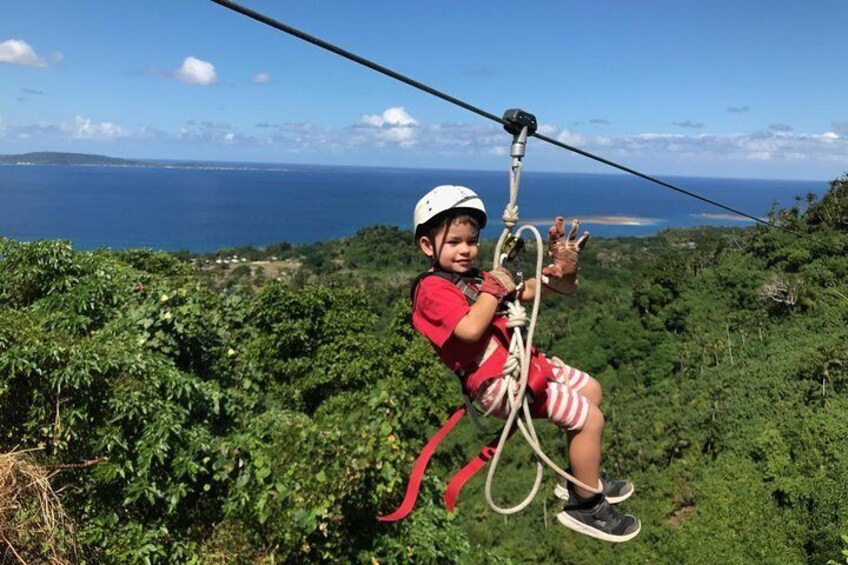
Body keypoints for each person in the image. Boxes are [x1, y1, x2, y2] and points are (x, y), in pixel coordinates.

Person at [410, 185, 640, 543]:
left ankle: (580, 475)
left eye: (471, 241)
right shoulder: (432, 290)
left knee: (592, 390)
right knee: (589, 418)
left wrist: (561, 274)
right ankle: (586, 504)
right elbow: (469, 329)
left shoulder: (478, 280)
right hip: (498, 383)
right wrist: (495, 287)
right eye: (454, 242)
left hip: (522, 365)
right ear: (428, 246)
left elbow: (535, 292)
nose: (466, 250)